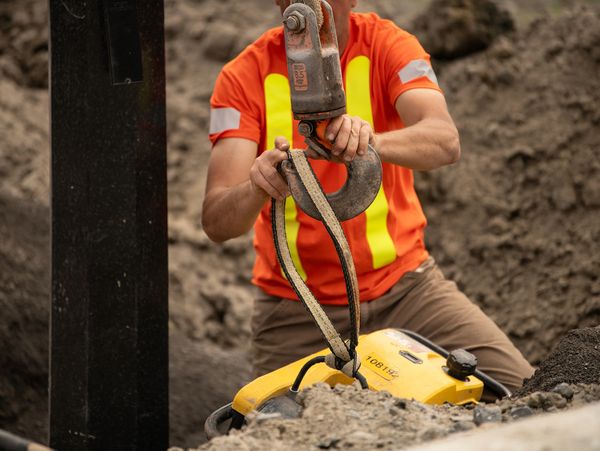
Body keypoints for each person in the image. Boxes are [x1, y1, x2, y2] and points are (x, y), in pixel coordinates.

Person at [202, 0, 534, 394]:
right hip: (297, 311)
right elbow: (217, 222)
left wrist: (371, 140)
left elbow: (445, 141)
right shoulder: (242, 76)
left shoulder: (388, 45)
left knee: (522, 389)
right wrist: (257, 185)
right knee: (270, 426)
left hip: (408, 291)